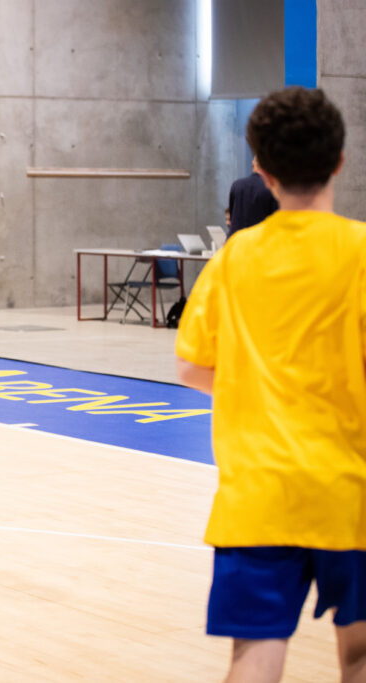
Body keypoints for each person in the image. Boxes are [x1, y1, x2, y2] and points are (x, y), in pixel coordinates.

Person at [175, 86, 366, 682]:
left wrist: (257, 386)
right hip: (350, 493)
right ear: (339, 160)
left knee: (254, 658)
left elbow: (191, 367)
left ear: (259, 166)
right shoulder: (361, 251)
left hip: (257, 497)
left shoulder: (234, 260)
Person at [226, 156, 279, 237]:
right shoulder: (271, 188)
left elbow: (232, 217)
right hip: (260, 242)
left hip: (236, 243)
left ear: (253, 165)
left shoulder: (237, 185)